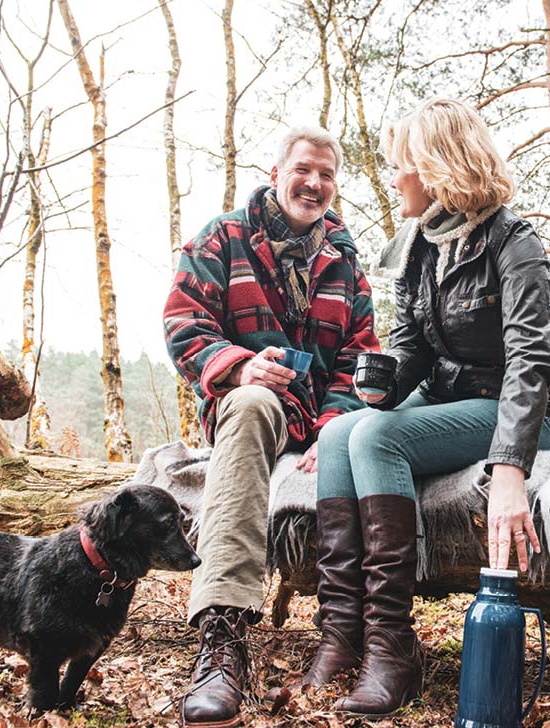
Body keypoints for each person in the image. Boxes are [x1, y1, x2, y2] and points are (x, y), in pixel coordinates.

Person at [302, 98, 550, 716]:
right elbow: (413, 345)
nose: (393, 177)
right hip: (451, 396)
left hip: (518, 411)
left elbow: (532, 360)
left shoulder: (513, 242)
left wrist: (510, 470)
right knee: (345, 431)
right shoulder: (422, 243)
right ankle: (344, 633)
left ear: (438, 166)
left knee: (376, 441)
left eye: (402, 165)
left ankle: (394, 646)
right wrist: (382, 391)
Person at [163, 126, 380, 728]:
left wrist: (335, 427)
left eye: (327, 175)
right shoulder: (223, 237)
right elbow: (183, 324)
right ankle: (222, 637)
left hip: (318, 421)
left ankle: (360, 637)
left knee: (351, 430)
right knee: (257, 400)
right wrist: (238, 366)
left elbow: (359, 359)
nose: (314, 184)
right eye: (304, 170)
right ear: (277, 171)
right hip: (244, 410)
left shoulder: (346, 261)